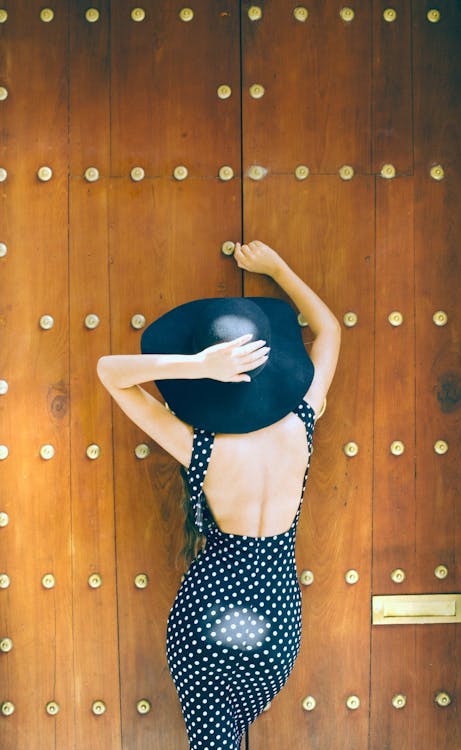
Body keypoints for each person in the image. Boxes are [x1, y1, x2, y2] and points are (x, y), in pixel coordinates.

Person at [97, 240, 341, 750]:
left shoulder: (198, 445)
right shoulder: (304, 419)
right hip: (276, 619)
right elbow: (329, 331)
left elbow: (109, 374)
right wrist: (278, 267)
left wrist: (197, 367)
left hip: (208, 611)